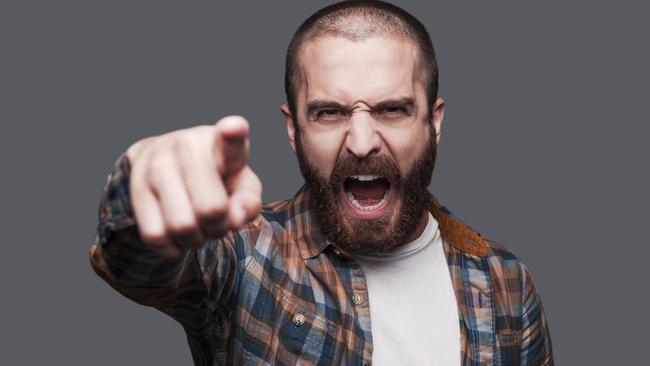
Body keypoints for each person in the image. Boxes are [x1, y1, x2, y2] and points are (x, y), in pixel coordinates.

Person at [89, 1, 554, 365]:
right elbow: (137, 263)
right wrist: (140, 188)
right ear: (294, 130)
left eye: (392, 109)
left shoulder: (503, 280)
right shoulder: (247, 253)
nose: (362, 142)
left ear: (434, 123)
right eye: (329, 113)